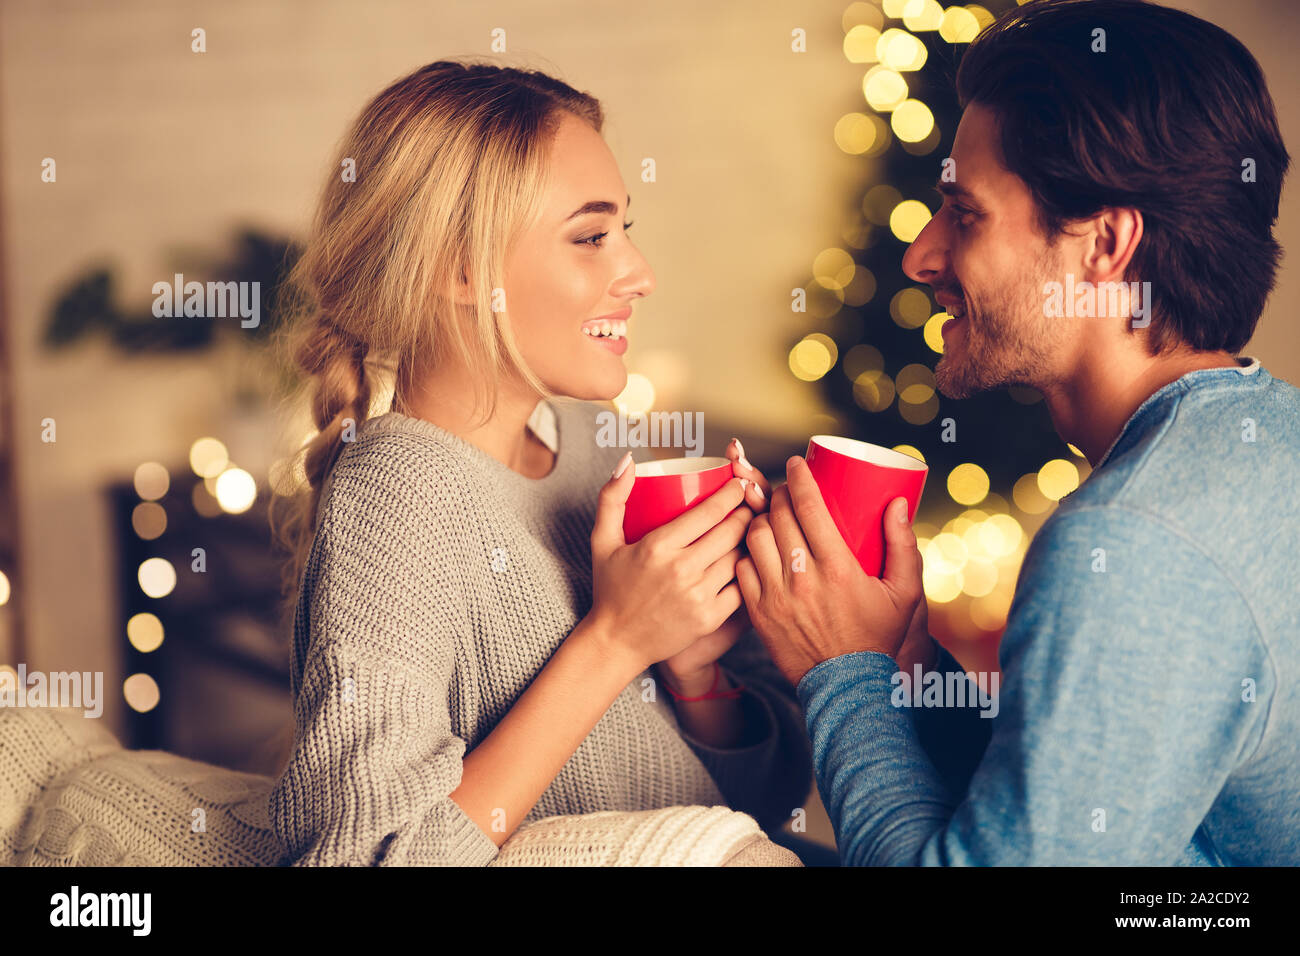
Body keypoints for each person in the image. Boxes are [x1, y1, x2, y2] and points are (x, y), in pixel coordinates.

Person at [735, 0, 1298, 865]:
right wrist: (908, 671)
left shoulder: (1133, 541)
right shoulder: (1269, 434)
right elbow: (1083, 809)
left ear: (1105, 244)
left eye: (965, 213)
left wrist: (839, 671)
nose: (921, 256)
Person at [266, 60, 811, 865]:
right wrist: (617, 641)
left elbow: (765, 807)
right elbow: (364, 857)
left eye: (626, 229)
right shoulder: (396, 494)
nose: (639, 274)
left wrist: (696, 676)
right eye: (591, 237)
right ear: (459, 269)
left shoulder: (595, 447)